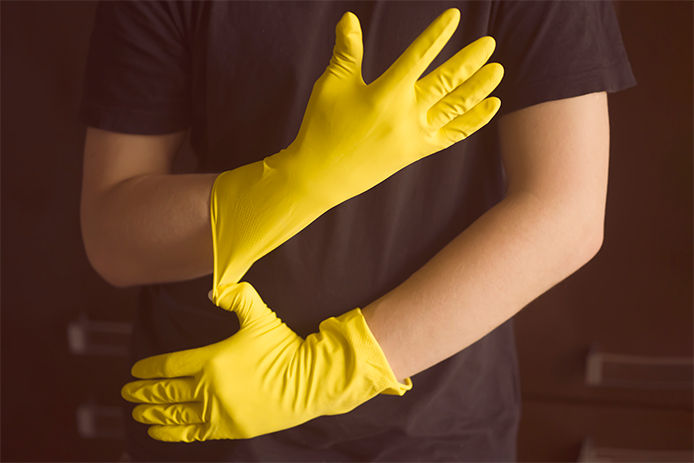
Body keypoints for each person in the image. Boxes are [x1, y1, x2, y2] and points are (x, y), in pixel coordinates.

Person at [78, 1, 636, 461]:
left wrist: (330, 371)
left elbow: (567, 212)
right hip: (206, 411)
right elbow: (111, 237)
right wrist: (291, 185)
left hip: (437, 433)